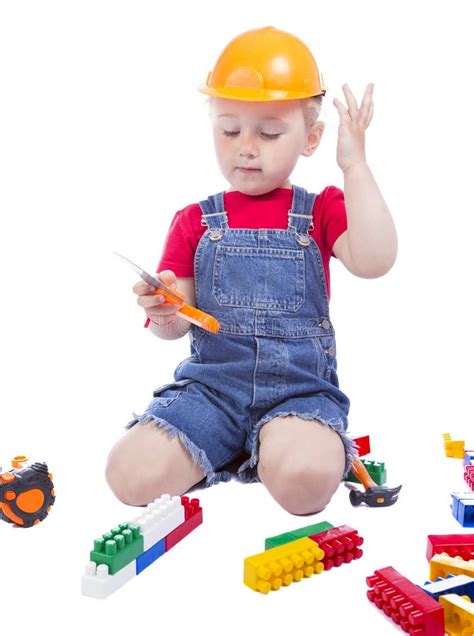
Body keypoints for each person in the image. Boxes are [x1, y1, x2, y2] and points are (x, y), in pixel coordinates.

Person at [105, 26, 397, 515]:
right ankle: (243, 446)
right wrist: (162, 309)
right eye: (229, 128)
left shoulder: (322, 210)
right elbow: (175, 328)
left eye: (269, 132)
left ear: (312, 139)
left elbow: (376, 261)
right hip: (211, 392)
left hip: (298, 393)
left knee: (305, 485)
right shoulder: (195, 221)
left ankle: (280, 448)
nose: (246, 146)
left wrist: (356, 167)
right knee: (127, 476)